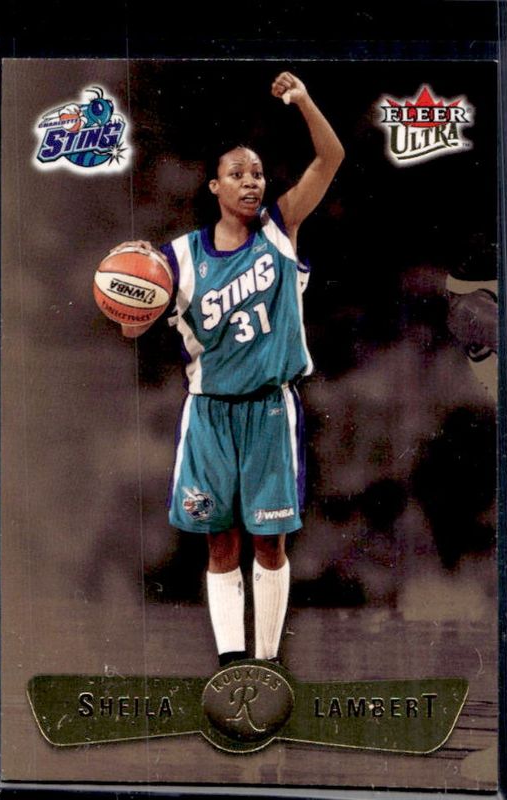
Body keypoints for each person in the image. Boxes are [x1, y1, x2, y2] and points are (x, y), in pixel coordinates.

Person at [111, 72, 344, 666]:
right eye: (237, 173)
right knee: (220, 542)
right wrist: (128, 305)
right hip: (210, 414)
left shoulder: (281, 227)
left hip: (269, 407)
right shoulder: (178, 257)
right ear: (215, 185)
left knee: (269, 541)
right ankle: (231, 664)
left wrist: (304, 100)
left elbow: (331, 157)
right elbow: (133, 326)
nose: (251, 181)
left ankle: (267, 664)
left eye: (257, 172)